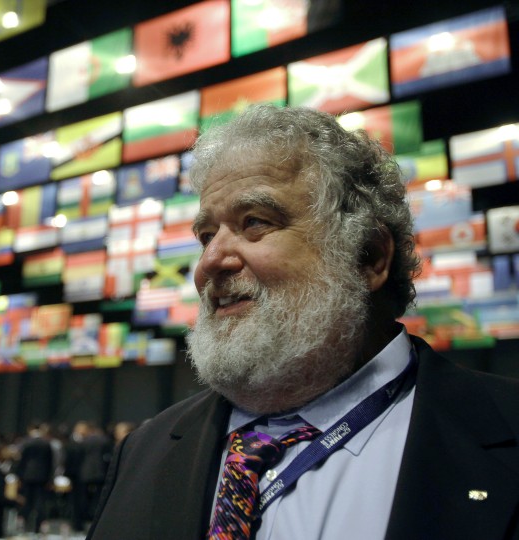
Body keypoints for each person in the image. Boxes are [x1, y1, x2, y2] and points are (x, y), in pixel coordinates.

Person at [88, 104, 519, 539]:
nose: (210, 262)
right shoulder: (143, 452)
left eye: (254, 222)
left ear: (367, 256)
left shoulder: (505, 430)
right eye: (206, 236)